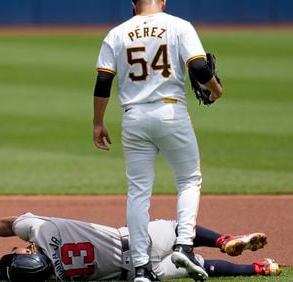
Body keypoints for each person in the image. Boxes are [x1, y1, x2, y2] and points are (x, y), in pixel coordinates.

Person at [92, 1, 223, 281]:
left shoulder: (117, 33)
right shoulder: (179, 25)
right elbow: (200, 67)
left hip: (133, 117)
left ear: (132, 4)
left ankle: (140, 268)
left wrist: (98, 123)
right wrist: (216, 88)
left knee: (138, 192)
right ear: (162, 0)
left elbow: (103, 82)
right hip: (170, 111)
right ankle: (184, 245)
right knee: (188, 179)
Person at [0, 212, 281, 281]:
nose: (17, 251)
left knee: (196, 265)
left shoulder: (54, 280)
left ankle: (261, 269)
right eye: (19, 253)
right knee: (180, 230)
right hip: (133, 239)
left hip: (136, 272)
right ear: (31, 252)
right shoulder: (44, 231)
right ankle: (224, 239)